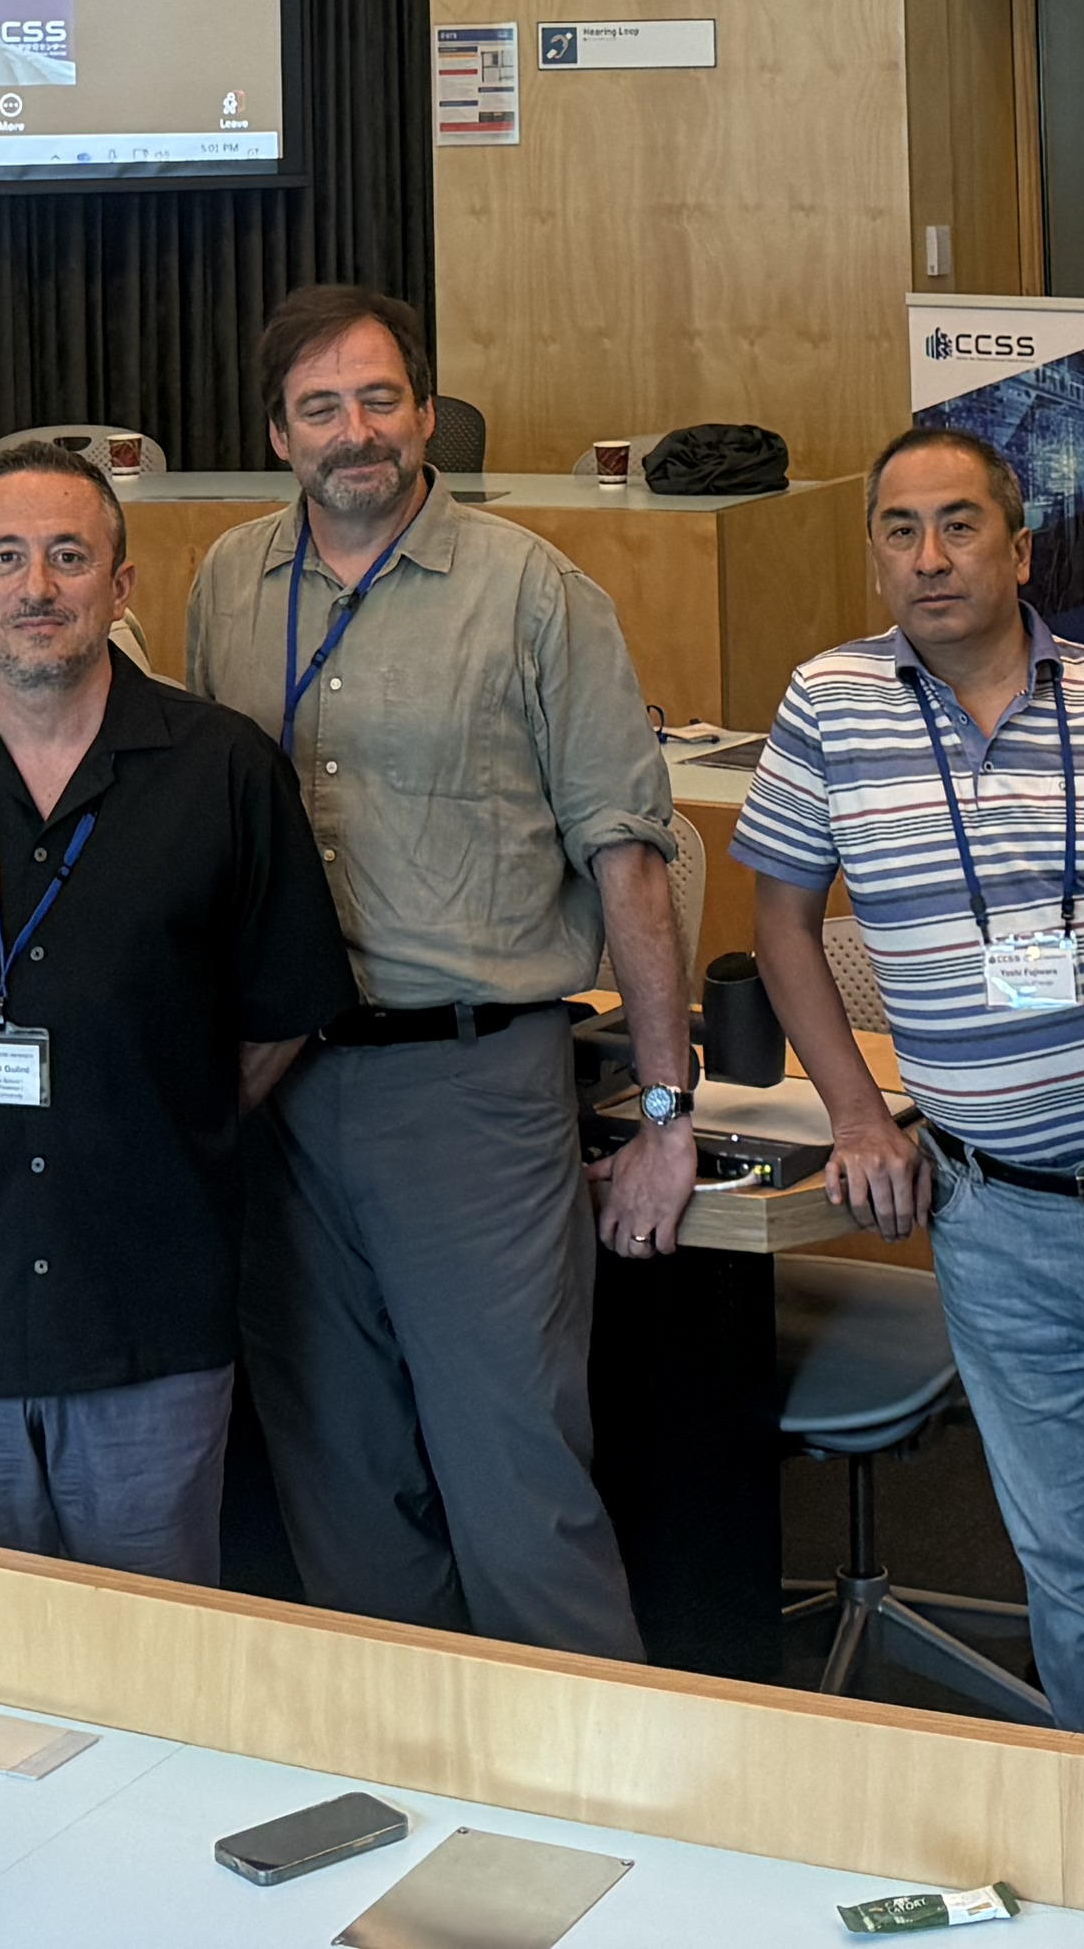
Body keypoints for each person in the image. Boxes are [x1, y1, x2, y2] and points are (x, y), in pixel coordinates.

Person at [185, 281, 691, 1658]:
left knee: (516, 1487)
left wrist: (665, 1115)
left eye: (378, 400)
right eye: (319, 408)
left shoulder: (534, 591)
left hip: (472, 1090)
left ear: (423, 414)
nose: (353, 432)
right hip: (282, 1089)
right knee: (339, 1485)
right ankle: (399, 1768)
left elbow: (630, 860)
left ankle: (590, 1775)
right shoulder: (228, 583)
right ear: (278, 434)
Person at [738, 421, 1084, 1742]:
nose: (930, 556)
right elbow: (781, 925)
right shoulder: (829, 702)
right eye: (899, 530)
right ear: (874, 558)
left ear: (1020, 552)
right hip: (996, 1217)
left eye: (959, 525)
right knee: (1077, 1583)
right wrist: (859, 1114)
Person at [0, 437, 349, 1576]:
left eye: (69, 556)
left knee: (152, 1636)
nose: (37, 587)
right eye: (5, 558)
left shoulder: (225, 773)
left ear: (121, 584)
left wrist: (158, 1101)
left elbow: (282, 1014)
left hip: (146, 1303)